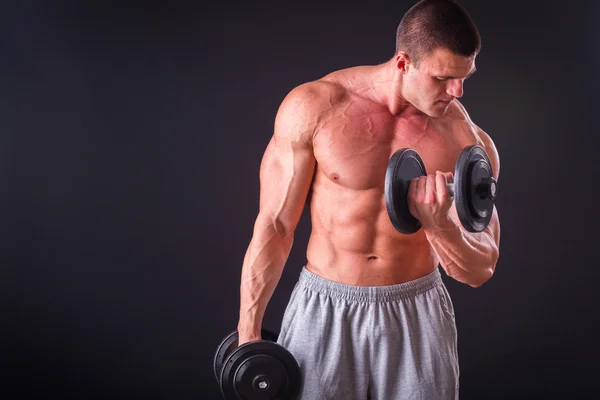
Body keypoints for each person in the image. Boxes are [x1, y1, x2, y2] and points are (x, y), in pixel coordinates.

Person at [236, 0, 500, 398]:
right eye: (443, 77)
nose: (457, 91)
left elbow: (481, 269)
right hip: (324, 307)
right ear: (403, 63)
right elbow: (275, 226)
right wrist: (248, 336)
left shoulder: (468, 144)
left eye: (464, 78)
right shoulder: (315, 108)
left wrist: (441, 227)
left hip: (417, 311)